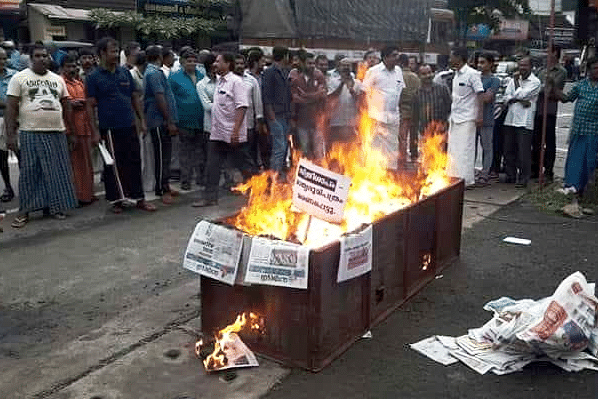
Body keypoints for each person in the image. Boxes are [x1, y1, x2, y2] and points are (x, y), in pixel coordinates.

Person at [4, 43, 78, 228]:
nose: (42, 58)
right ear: (30, 59)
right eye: (37, 56)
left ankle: (55, 207)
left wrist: (71, 131)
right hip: (31, 131)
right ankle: (24, 212)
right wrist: (10, 135)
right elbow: (11, 107)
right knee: (30, 173)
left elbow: (66, 105)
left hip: (56, 131)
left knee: (57, 172)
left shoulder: (57, 79)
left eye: (44, 55)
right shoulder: (19, 78)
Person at [86, 37, 156, 214]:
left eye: (117, 51)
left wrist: (142, 121)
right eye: (112, 51)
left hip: (129, 124)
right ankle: (116, 200)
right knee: (113, 165)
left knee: (134, 161)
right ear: (102, 53)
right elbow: (89, 105)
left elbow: (134, 97)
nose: (116, 55)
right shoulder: (93, 77)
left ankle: (139, 199)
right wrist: (94, 132)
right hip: (109, 128)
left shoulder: (125, 73)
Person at [193, 52, 248, 207]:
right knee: (212, 166)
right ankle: (210, 198)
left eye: (218, 61)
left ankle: (262, 193)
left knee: (245, 165)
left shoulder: (236, 82)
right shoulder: (220, 82)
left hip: (232, 134)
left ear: (228, 64)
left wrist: (236, 131)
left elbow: (242, 107)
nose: (214, 64)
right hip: (217, 133)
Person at [555, 56, 598, 195]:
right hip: (579, 129)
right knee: (575, 160)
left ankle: (587, 188)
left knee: (590, 161)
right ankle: (572, 186)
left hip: (594, 131)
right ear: (588, 70)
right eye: (595, 68)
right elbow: (566, 98)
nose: (597, 71)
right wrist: (554, 88)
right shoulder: (580, 85)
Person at [144, 45, 179, 205]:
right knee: (161, 156)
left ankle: (165, 184)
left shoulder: (155, 72)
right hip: (159, 121)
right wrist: (169, 120)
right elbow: (160, 97)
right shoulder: (154, 73)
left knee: (166, 156)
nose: (173, 58)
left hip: (162, 120)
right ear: (160, 56)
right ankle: (161, 189)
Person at [446, 47, 484, 187]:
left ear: (459, 58)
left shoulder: (472, 74)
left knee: (465, 150)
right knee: (454, 149)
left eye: (451, 57)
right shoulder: (456, 74)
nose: (449, 60)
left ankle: (466, 180)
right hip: (455, 117)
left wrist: (480, 115)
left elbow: (480, 94)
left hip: (468, 118)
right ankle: (453, 177)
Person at [168, 49, 205, 191]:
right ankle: (186, 180)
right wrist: (172, 120)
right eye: (189, 61)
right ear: (182, 62)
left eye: (194, 61)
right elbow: (170, 99)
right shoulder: (174, 77)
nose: (192, 63)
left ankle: (200, 177)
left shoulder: (201, 75)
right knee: (185, 152)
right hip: (183, 120)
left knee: (200, 151)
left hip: (200, 119)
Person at [62, 55, 96, 205]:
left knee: (87, 163)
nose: (72, 69)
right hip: (72, 129)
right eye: (68, 66)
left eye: (73, 66)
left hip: (85, 127)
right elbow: (63, 103)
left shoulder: (79, 82)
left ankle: (88, 194)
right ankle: (78, 196)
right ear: (62, 68)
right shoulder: (60, 82)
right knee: (76, 165)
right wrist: (72, 103)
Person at [363, 45, 404, 170]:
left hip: (393, 118)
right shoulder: (373, 71)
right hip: (376, 117)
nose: (397, 58)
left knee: (392, 150)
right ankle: (373, 177)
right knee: (375, 150)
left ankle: (390, 175)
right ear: (385, 57)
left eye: (397, 55)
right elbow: (363, 93)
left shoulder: (398, 71)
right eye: (394, 55)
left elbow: (400, 92)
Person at [502, 56, 541, 188]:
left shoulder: (535, 82)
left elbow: (522, 95)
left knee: (523, 151)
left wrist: (517, 96)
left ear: (531, 67)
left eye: (525, 65)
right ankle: (510, 175)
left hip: (525, 121)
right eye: (520, 65)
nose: (522, 68)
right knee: (508, 149)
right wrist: (518, 100)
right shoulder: (513, 81)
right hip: (510, 119)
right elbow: (506, 98)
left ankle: (524, 178)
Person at [531, 45, 567, 183]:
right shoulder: (541, 70)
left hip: (550, 110)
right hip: (538, 108)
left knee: (549, 142)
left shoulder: (561, 71)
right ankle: (535, 168)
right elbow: (534, 87)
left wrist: (544, 86)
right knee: (536, 141)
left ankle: (549, 171)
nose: (546, 54)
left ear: (555, 53)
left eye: (548, 51)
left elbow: (552, 89)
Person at [288, 52, 327, 159]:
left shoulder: (319, 76)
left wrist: (305, 95)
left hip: (317, 121)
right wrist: (315, 96)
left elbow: (323, 95)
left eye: (313, 63)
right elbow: (295, 99)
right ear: (302, 64)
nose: (312, 66)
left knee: (318, 152)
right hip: (301, 121)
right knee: (304, 151)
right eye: (309, 63)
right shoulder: (297, 79)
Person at [262, 46, 291, 175]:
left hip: (284, 116)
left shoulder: (283, 72)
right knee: (279, 148)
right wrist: (272, 119)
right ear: (284, 56)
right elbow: (266, 97)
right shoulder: (269, 72)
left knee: (283, 147)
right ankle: (274, 177)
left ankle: (279, 173)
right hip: (275, 116)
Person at [475, 52, 500, 187]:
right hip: (472, 119)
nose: (479, 65)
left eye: (483, 62)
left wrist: (476, 94)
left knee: (487, 148)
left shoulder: (494, 80)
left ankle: (485, 173)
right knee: (471, 147)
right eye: (479, 62)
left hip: (487, 119)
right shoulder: (474, 77)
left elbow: (487, 98)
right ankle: (471, 171)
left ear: (490, 64)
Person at [235, 53, 263, 178]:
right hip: (231, 124)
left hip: (248, 124)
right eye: (237, 63)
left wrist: (259, 120)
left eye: (242, 63)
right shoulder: (225, 80)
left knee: (248, 153)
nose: (239, 66)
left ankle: (251, 180)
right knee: (234, 154)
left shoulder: (251, 80)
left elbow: (257, 102)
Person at [327, 57, 363, 148]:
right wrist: (341, 84)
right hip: (336, 122)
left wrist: (351, 89)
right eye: (343, 65)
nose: (346, 67)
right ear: (339, 67)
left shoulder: (358, 83)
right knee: (335, 152)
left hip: (351, 123)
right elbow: (330, 98)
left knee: (350, 151)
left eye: (348, 65)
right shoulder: (332, 81)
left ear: (351, 67)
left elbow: (361, 103)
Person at [412, 64, 451, 138]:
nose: (428, 75)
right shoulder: (416, 94)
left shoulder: (442, 89)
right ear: (419, 76)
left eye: (429, 72)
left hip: (441, 131)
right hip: (425, 132)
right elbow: (415, 116)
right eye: (424, 74)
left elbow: (449, 107)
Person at [196, 53, 217, 188]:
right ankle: (208, 184)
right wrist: (224, 105)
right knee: (210, 157)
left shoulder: (224, 81)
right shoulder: (201, 85)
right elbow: (207, 106)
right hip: (210, 127)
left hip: (225, 126)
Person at [0, 47, 17, 204]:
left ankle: (28, 186)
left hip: (14, 119)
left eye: (4, 58)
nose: (2, 62)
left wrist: (9, 106)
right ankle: (8, 187)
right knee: (2, 158)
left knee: (21, 154)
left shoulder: (15, 75)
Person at [398, 53, 421, 163]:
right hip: (415, 110)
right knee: (414, 135)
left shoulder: (398, 76)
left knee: (402, 137)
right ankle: (414, 155)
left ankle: (402, 157)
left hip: (402, 109)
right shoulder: (415, 77)